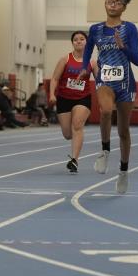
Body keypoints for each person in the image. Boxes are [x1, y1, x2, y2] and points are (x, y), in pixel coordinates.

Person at [80, 0, 138, 194]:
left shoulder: (129, 29)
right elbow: (88, 51)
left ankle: (123, 171)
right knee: (105, 111)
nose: (113, 5)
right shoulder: (95, 29)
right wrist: (84, 68)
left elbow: (137, 60)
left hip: (126, 83)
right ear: (105, 3)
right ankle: (105, 150)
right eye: (110, 1)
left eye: (118, 2)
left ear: (124, 7)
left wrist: (123, 47)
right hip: (104, 79)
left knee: (123, 131)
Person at [49, 30, 95, 173]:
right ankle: (74, 151)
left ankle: (74, 160)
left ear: (87, 42)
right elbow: (55, 78)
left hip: (83, 98)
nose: (79, 41)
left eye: (82, 39)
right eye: (76, 39)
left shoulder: (92, 62)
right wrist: (52, 94)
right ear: (72, 43)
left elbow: (100, 81)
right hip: (64, 98)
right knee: (68, 134)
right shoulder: (65, 59)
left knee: (77, 125)